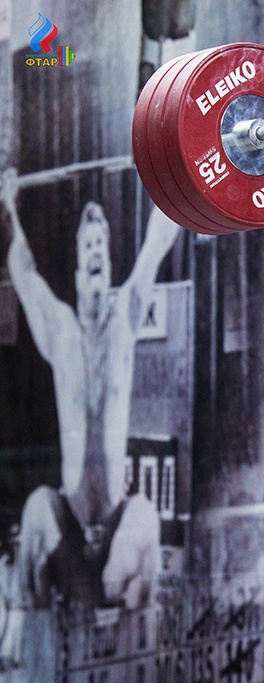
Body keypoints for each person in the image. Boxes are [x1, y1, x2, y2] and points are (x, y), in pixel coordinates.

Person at [0, 170, 180, 618]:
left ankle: (139, 629)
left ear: (110, 265)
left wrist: (176, 173)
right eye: (89, 246)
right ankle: (30, 630)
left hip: (117, 516)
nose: (97, 251)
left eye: (102, 244)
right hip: (69, 516)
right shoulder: (60, 329)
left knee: (146, 516)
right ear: (80, 268)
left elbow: (157, 242)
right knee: (36, 507)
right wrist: (9, 205)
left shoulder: (125, 320)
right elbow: (23, 272)